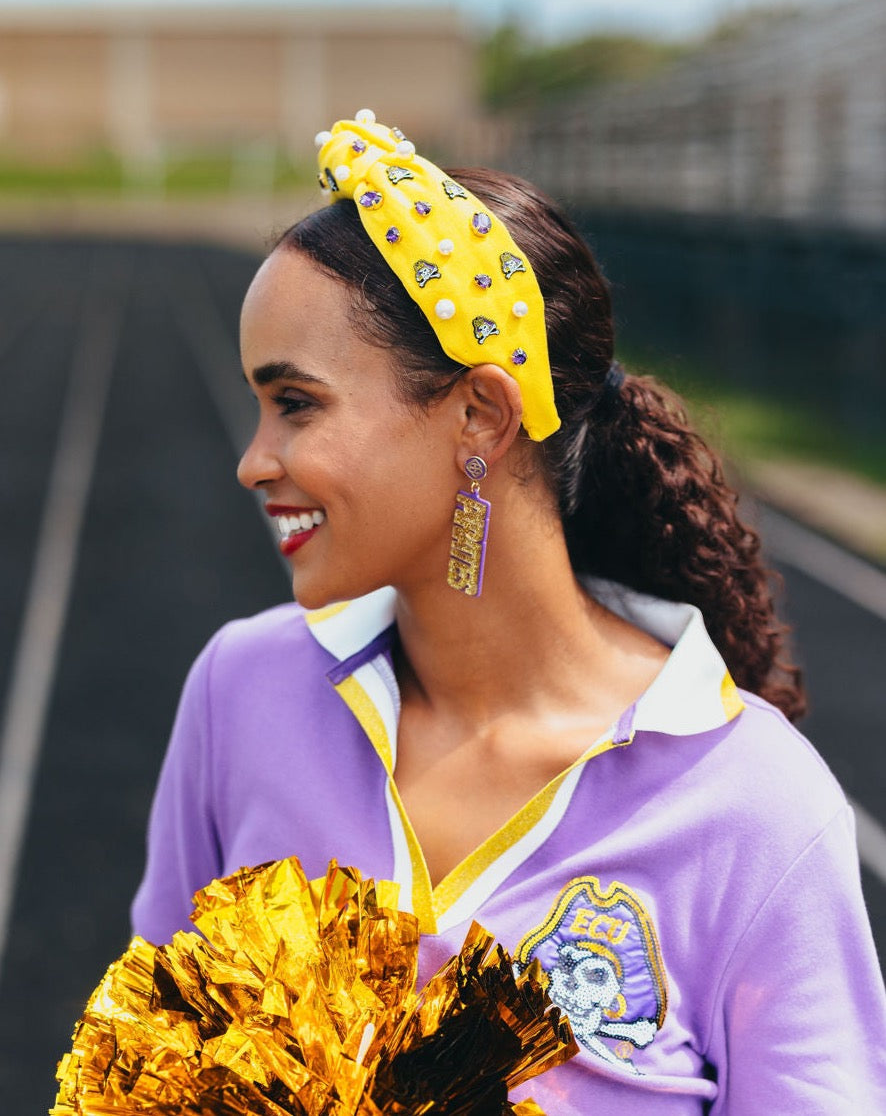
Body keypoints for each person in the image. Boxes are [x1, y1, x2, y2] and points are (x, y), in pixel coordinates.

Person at [132, 111, 886, 1113]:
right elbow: (153, 1071)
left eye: (297, 403)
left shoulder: (752, 803)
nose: (253, 459)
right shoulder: (242, 691)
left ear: (479, 416)